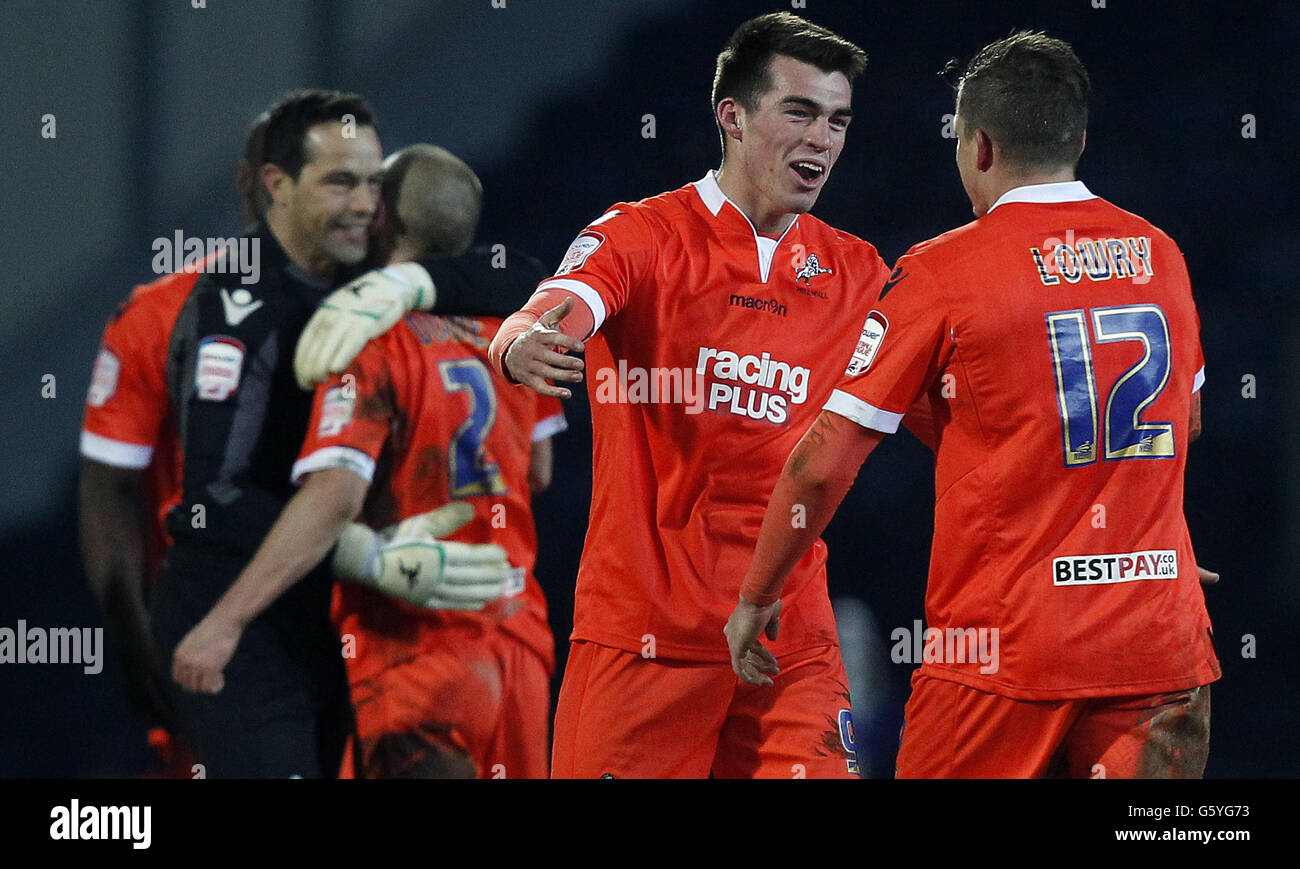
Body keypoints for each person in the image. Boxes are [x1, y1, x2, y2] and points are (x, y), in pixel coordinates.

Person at [725, 31, 1219, 778]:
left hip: (1003, 650)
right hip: (1159, 639)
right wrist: (1152, 548)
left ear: (979, 145)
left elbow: (822, 464)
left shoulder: (944, 273)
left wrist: (759, 591)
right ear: (1078, 137)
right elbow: (1181, 425)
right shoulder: (1163, 254)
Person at [487, 13, 891, 778]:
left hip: (787, 638)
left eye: (837, 120)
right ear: (731, 117)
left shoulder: (860, 272)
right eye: (799, 112)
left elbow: (959, 411)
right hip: (646, 636)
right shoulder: (644, 235)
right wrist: (519, 342)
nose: (822, 140)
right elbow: (563, 299)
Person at [153, 90, 519, 778]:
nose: (363, 203)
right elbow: (215, 497)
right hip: (235, 612)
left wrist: (410, 283)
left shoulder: (363, 271)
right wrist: (360, 552)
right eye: (340, 181)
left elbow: (526, 279)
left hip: (324, 618)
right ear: (278, 186)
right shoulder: (237, 306)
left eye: (374, 183)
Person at [78, 113, 273, 776]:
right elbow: (107, 487)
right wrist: (135, 645)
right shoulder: (155, 313)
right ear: (256, 181)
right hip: (209, 656)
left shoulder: (377, 310)